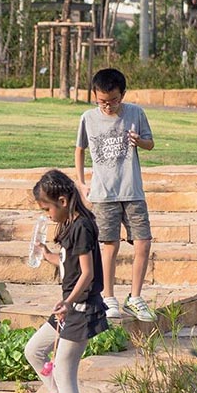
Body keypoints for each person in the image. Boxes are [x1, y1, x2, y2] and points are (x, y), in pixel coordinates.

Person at [25, 169, 106, 393]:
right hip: (68, 308)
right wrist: (47, 254)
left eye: (48, 208)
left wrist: (69, 302)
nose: (47, 215)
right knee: (34, 350)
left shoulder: (82, 226)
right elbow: (68, 266)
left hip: (80, 309)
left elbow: (88, 273)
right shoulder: (69, 225)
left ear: (62, 200)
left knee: (63, 370)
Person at [75, 67, 157, 324]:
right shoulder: (88, 118)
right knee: (109, 244)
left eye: (113, 100)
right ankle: (108, 297)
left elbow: (150, 143)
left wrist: (138, 141)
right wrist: (81, 182)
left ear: (122, 94)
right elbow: (79, 149)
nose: (108, 106)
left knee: (143, 241)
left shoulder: (136, 113)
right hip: (103, 193)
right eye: (102, 101)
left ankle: (134, 297)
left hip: (132, 190)